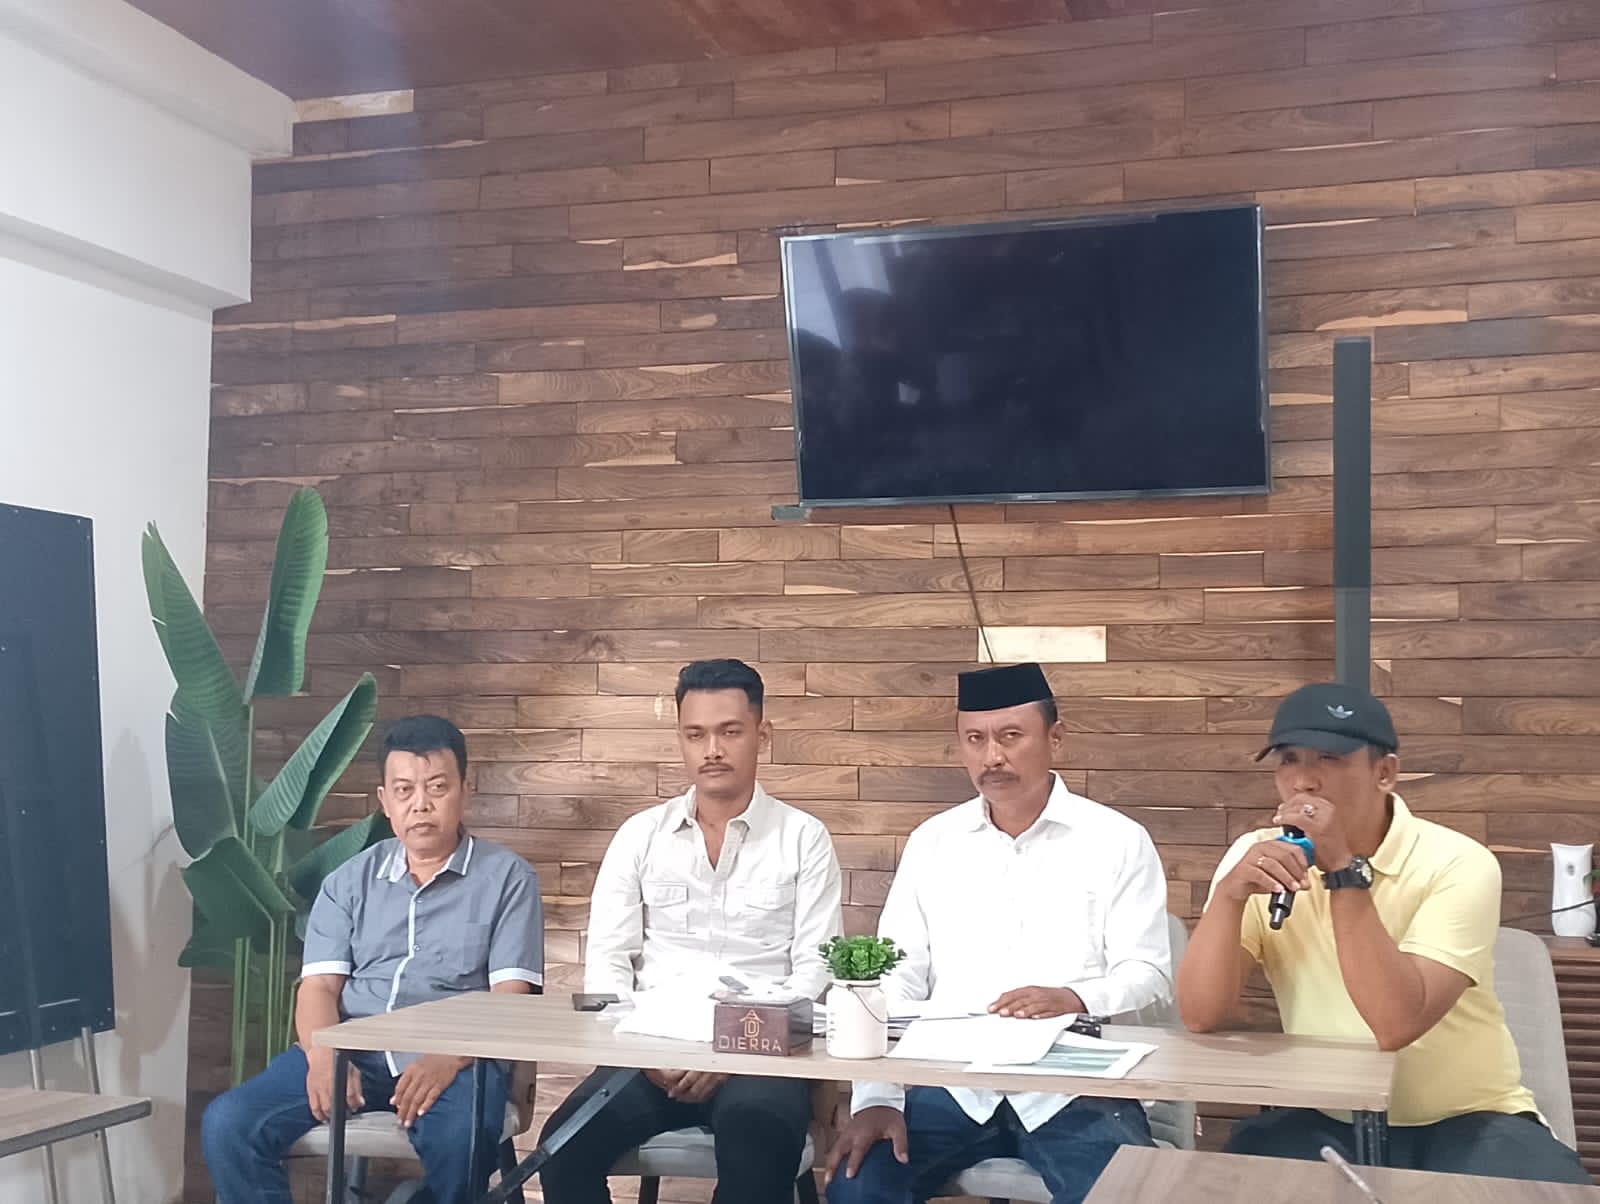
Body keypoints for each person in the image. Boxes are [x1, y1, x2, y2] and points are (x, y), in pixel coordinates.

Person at [1177, 682, 1591, 1184]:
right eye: (1288, 760)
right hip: (1324, 1113)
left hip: (1468, 1120)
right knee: (1224, 1181)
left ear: (1385, 773)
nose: (1303, 780)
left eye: (1329, 758)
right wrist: (1229, 896)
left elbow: (1395, 1025)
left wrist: (1341, 871)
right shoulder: (1259, 854)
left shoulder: (1458, 862)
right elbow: (1200, 1015)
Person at [825, 662, 1171, 1204]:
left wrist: (1074, 997)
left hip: (1074, 1086)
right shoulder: (934, 842)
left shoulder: (1117, 840)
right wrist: (877, 1098)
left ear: (1055, 738)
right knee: (857, 1187)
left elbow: (1147, 971)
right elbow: (896, 979)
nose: (992, 757)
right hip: (952, 1082)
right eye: (975, 739)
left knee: (1127, 1196)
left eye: (1011, 736)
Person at [202, 715, 544, 1204]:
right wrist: (323, 1055)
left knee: (462, 1141)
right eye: (404, 790)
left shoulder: (508, 879)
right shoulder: (348, 881)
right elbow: (319, 988)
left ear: (465, 791)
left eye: (437, 787)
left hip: (456, 1060)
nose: (420, 804)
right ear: (385, 800)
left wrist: (449, 1057)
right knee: (229, 1123)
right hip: (352, 1051)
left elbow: (510, 998)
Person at [539, 658, 844, 1204]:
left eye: (730, 732)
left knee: (758, 1146)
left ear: (762, 736)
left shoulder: (803, 838)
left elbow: (815, 975)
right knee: (560, 1148)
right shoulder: (640, 836)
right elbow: (608, 965)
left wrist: (730, 1049)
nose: (713, 750)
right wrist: (644, 1054)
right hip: (651, 1056)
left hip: (759, 1060)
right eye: (695, 734)